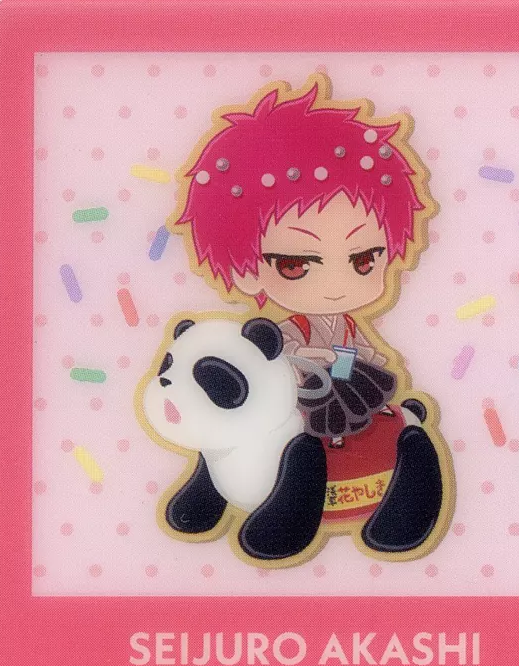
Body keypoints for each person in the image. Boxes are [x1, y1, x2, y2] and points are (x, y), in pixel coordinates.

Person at [172, 74, 437, 445]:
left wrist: (368, 364)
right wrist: (317, 360)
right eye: (295, 266)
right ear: (246, 272)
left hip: (350, 396)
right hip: (305, 409)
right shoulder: (290, 330)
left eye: (363, 261)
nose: (336, 286)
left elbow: (368, 354)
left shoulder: (347, 326)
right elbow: (282, 364)